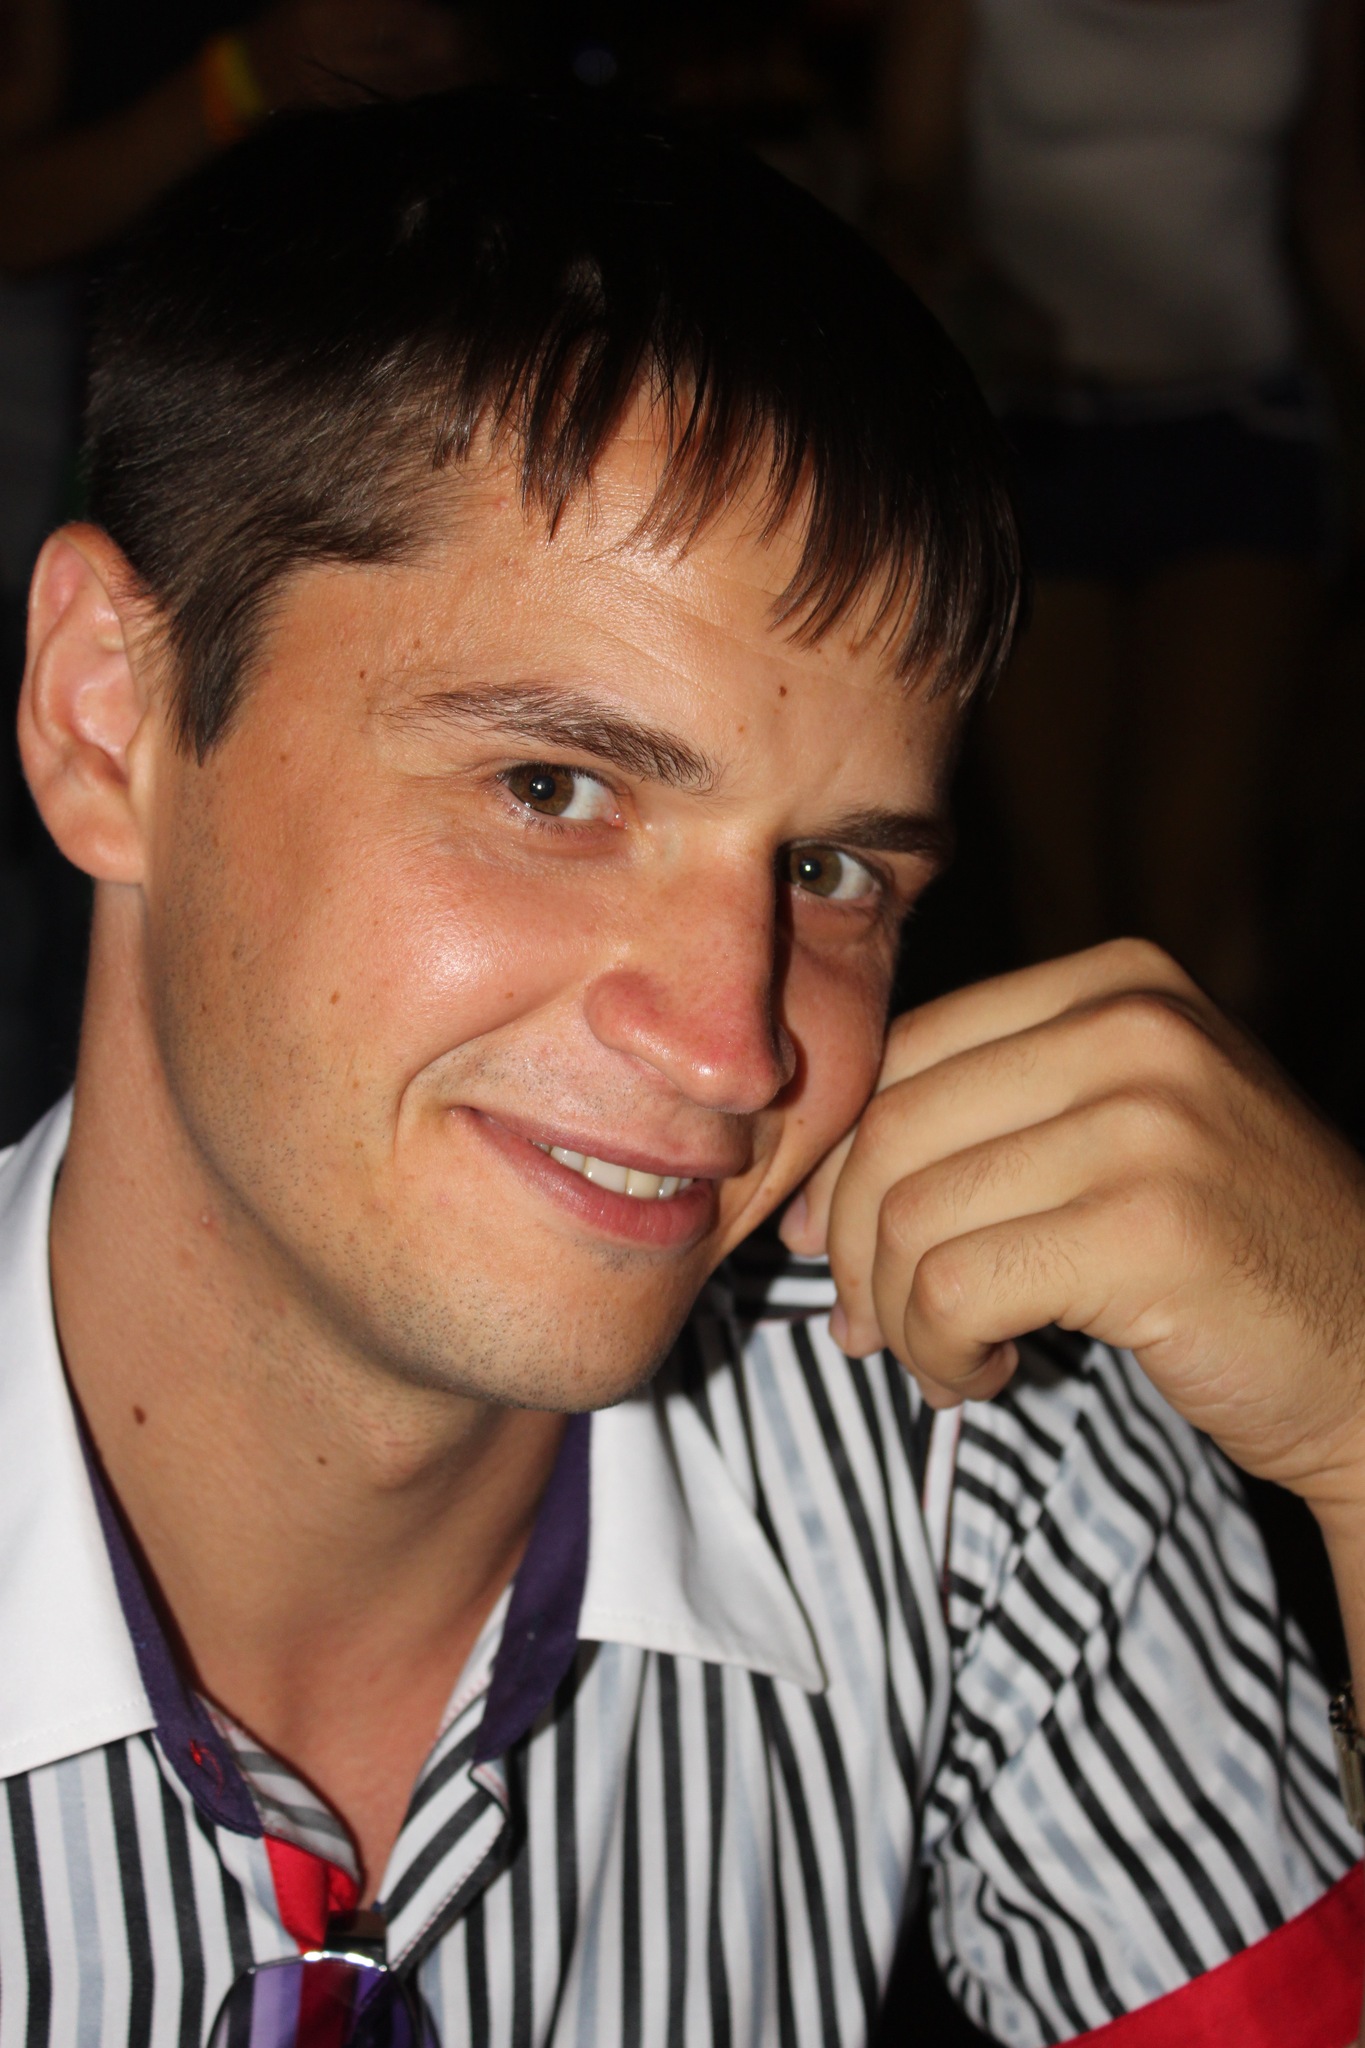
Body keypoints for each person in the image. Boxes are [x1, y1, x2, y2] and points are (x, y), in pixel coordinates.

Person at [3, 87, 1365, 2045]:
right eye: (553, 787)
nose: (732, 1048)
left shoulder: (970, 1450)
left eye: (827, 872)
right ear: (105, 716)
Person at [873, 0, 1365, 1022]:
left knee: (1201, 895)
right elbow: (907, 179)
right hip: (1032, 439)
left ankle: (1228, 1117)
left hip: (1242, 430)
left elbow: (1334, 206)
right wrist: (961, 281)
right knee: (1066, 903)